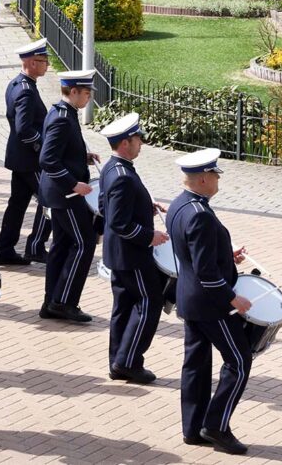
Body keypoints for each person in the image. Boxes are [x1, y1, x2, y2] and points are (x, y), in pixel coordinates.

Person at [167, 148, 253, 454]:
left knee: (196, 365)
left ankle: (193, 428)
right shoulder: (200, 215)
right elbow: (206, 271)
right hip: (211, 304)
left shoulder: (179, 205)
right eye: (215, 175)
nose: (217, 180)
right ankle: (216, 425)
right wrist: (233, 298)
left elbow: (194, 253)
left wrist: (226, 256)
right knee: (240, 362)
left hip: (190, 300)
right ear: (203, 179)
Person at [98, 112, 168, 385]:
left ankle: (118, 360)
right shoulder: (122, 176)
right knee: (150, 301)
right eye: (137, 139)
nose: (141, 143)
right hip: (132, 254)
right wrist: (149, 236)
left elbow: (108, 208)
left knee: (124, 307)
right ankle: (128, 361)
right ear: (126, 143)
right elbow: (118, 222)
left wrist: (144, 208)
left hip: (120, 254)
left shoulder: (113, 168)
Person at [37, 69, 101, 323]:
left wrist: (81, 157)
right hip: (65, 195)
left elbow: (59, 151)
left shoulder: (62, 113)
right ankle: (63, 302)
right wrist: (74, 184)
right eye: (86, 93)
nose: (88, 99)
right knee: (84, 243)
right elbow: (47, 159)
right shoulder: (63, 117)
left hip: (60, 194)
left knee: (62, 246)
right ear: (73, 91)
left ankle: (51, 301)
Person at [0, 39, 52, 265]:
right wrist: (44, 147)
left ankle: (4, 250)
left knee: (17, 205)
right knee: (50, 200)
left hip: (20, 158)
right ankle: (36, 246)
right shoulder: (26, 91)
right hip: (30, 159)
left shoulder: (17, 83)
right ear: (30, 62)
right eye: (42, 61)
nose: (47, 65)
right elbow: (24, 129)